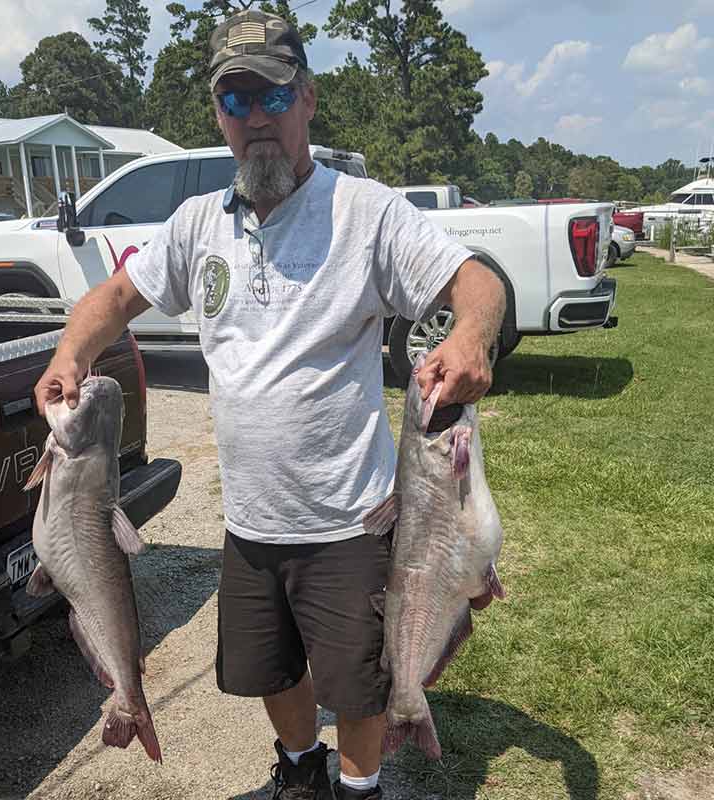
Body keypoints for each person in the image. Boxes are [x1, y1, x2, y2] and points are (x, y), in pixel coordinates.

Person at [34, 9, 506, 799]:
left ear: (308, 100)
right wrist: (69, 352)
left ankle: (360, 786)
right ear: (219, 114)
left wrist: (471, 337)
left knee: (358, 683)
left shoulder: (367, 213)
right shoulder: (196, 226)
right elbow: (116, 296)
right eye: (236, 101)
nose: (256, 119)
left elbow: (476, 282)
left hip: (351, 519)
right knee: (270, 670)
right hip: (250, 523)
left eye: (273, 98)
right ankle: (299, 770)